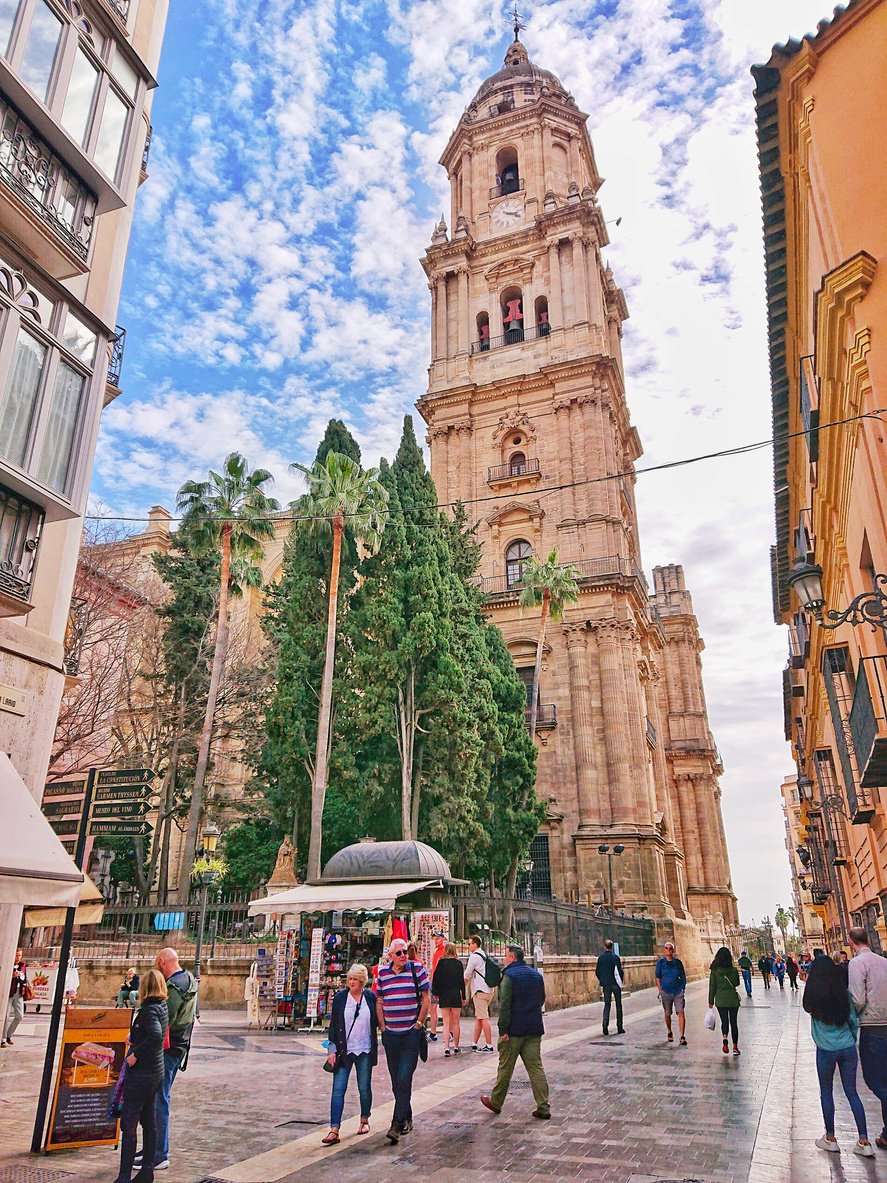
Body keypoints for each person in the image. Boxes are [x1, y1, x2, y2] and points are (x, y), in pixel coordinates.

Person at [803, 955, 874, 1156]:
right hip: (847, 1048)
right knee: (852, 1092)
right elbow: (853, 1021)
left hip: (825, 1050)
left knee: (826, 1091)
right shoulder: (844, 994)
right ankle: (864, 1141)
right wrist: (850, 1040)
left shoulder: (813, 999)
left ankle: (831, 1138)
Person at [135, 948, 197, 1173]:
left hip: (167, 1051)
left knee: (159, 1100)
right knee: (157, 1098)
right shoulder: (189, 979)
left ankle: (159, 1154)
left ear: (162, 962)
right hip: (179, 1047)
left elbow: (163, 1021)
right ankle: (152, 1148)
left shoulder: (173, 987)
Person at [480, 945, 550, 1120]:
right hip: (533, 1028)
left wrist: (503, 1030)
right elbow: (542, 999)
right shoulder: (535, 975)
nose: (504, 959)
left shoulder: (509, 977)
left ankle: (496, 1102)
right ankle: (543, 1106)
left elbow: (505, 1006)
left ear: (512, 957)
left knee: (505, 1067)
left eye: (505, 956)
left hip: (513, 1031)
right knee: (536, 1067)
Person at [113, 969, 169, 1183]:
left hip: (143, 1074)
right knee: (149, 1121)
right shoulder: (161, 1006)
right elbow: (153, 1034)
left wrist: (136, 1053)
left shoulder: (149, 1010)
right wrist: (135, 1036)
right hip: (156, 1072)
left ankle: (124, 1175)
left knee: (129, 1123)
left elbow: (155, 1036)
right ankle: (147, 1170)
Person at [375, 938, 430, 1145]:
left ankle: (396, 1124)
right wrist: (382, 1027)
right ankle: (406, 1116)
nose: (403, 955)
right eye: (398, 953)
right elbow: (379, 1000)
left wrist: (419, 1023)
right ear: (390, 956)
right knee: (396, 1081)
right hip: (391, 1034)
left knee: (404, 1077)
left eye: (405, 951)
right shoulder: (382, 974)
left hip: (410, 1033)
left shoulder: (417, 969)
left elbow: (426, 997)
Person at [321, 964, 378, 1145]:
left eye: (355, 979)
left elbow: (376, 1021)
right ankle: (334, 1129)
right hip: (344, 1050)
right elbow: (334, 1025)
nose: (351, 982)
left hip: (364, 1049)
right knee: (338, 1089)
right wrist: (331, 1049)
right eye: (350, 979)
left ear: (362, 981)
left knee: (364, 1087)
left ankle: (364, 1119)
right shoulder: (340, 998)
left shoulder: (370, 997)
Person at [848, 926, 887, 1150]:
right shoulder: (883, 961)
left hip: (872, 1027)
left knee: (874, 1080)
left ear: (852, 942)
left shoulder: (857, 963)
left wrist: (850, 1019)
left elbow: (858, 999)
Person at [708, 947, 741, 1056]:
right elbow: (737, 983)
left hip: (721, 1000)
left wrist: (710, 1001)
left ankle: (725, 1039)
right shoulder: (733, 970)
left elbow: (712, 986)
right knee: (734, 1023)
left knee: (724, 1021)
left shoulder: (715, 971)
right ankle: (735, 1047)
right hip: (732, 1000)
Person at [464, 936, 495, 1052]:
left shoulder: (474, 957)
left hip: (480, 991)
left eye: (469, 944)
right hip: (489, 990)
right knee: (479, 1017)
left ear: (475, 945)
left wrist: (462, 989)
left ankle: (489, 1045)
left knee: (484, 1018)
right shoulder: (484, 955)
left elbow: (467, 975)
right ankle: (474, 1042)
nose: (468, 946)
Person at [655, 942, 688, 1045]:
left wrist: (682, 988)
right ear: (664, 950)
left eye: (670, 948)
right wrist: (660, 990)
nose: (668, 950)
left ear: (673, 950)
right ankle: (669, 1032)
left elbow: (682, 976)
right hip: (666, 991)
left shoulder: (678, 963)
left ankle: (682, 1036)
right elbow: (657, 977)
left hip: (678, 991)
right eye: (667, 948)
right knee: (667, 1013)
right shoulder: (661, 963)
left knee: (681, 1012)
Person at [594, 939, 625, 1036]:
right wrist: (621, 981)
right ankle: (619, 1027)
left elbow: (597, 971)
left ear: (604, 947)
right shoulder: (615, 957)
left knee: (607, 1005)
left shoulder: (601, 958)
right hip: (615, 984)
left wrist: (602, 979)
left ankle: (605, 1025)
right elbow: (620, 971)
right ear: (612, 947)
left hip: (606, 984)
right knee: (618, 1005)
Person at [1, 949, 28, 1048]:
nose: (18, 958)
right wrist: (12, 976)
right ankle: (3, 1038)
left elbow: (25, 977)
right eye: (16, 955)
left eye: (19, 955)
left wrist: (23, 980)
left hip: (19, 991)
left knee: (20, 1015)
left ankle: (9, 1035)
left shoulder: (23, 965)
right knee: (6, 1015)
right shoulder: (8, 965)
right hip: (9, 991)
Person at [427, 932, 447, 1042]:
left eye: (438, 938)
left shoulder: (444, 951)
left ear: (443, 939)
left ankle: (449, 1032)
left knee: (445, 1009)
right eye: (435, 939)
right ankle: (433, 1032)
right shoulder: (436, 951)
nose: (436, 940)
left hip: (441, 983)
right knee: (433, 1007)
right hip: (434, 982)